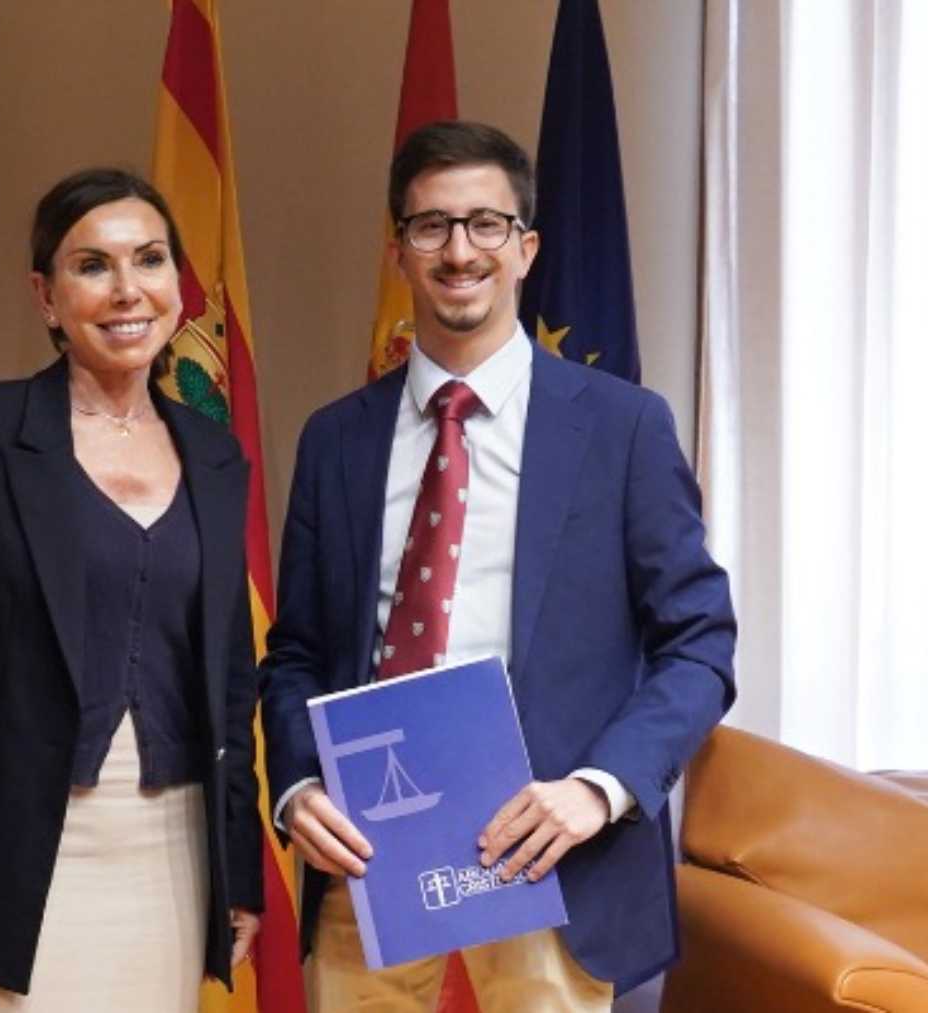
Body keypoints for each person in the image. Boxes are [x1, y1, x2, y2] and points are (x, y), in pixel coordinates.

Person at [260, 121, 736, 1011]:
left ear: (526, 248)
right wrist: (295, 786)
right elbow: (295, 651)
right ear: (397, 248)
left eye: (486, 224)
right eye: (431, 226)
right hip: (371, 863)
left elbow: (701, 644)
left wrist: (600, 789)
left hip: (552, 859)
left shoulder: (624, 427)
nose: (459, 250)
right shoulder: (336, 440)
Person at [0, 167, 263, 1011]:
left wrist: (239, 866)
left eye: (151, 260)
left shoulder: (215, 453)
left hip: (175, 846)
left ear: (177, 286)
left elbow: (233, 682)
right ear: (47, 296)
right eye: (93, 266)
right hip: (19, 849)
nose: (127, 289)